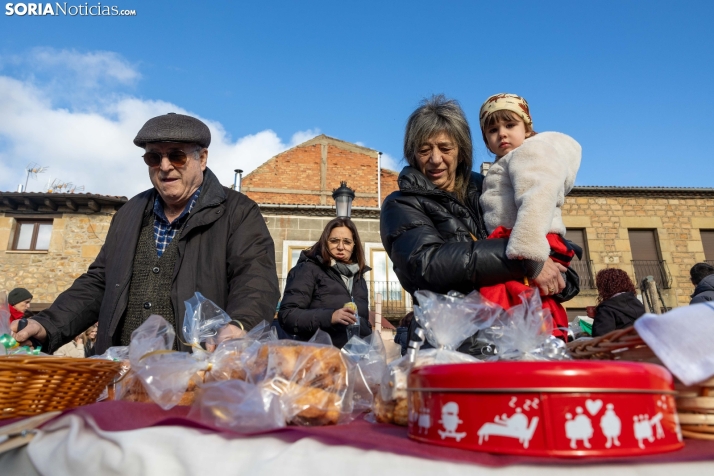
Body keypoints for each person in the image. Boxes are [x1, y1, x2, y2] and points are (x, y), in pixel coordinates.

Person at [12, 113, 280, 354]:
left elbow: (256, 279)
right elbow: (99, 283)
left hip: (198, 375)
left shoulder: (238, 212)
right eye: (154, 157)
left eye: (177, 155)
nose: (164, 166)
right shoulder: (130, 213)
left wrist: (239, 325)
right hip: (121, 373)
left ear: (202, 158)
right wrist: (45, 324)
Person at [380, 95, 580, 353]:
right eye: (424, 149)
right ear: (413, 154)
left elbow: (546, 243)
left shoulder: (489, 187)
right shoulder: (401, 204)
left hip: (514, 342)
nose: (435, 159)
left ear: (461, 149)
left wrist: (559, 273)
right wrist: (525, 260)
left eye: (445, 148)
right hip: (453, 347)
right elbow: (426, 263)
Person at [477, 93, 582, 339]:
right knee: (525, 306)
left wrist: (531, 255)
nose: (501, 133)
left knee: (525, 309)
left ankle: (538, 349)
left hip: (527, 239)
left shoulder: (529, 153)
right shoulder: (507, 161)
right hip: (517, 242)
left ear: (527, 128)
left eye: (510, 125)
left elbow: (537, 198)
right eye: (492, 130)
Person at [278, 218, 372, 348]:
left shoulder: (359, 278)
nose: (340, 247)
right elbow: (288, 316)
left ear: (354, 245)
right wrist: (331, 317)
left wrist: (365, 328)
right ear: (325, 242)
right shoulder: (307, 269)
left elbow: (364, 323)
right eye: (334, 241)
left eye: (347, 242)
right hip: (317, 358)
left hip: (353, 360)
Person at [591, 268, 646, 337]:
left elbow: (601, 338)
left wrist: (599, 318)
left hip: (621, 346)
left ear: (604, 287)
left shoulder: (607, 309)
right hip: (644, 345)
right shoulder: (638, 304)